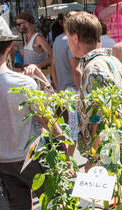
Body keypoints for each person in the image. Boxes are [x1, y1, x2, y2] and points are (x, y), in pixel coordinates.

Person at [0, 16, 64, 210]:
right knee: (52, 205)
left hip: (1, 158)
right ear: (10, 45)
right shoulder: (23, 82)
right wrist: (63, 141)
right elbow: (46, 117)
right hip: (31, 155)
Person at [64, 11, 122, 164]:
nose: (67, 43)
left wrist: (94, 159)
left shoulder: (93, 70)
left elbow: (101, 120)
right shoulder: (114, 62)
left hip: (105, 158)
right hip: (118, 150)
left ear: (75, 38)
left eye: (67, 38)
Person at [51, 23, 81, 158]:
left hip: (63, 89)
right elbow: (75, 69)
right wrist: (81, 90)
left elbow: (53, 67)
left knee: (67, 127)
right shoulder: (71, 42)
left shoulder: (57, 40)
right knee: (73, 129)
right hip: (73, 88)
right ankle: (68, 162)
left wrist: (58, 87)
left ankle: (65, 159)